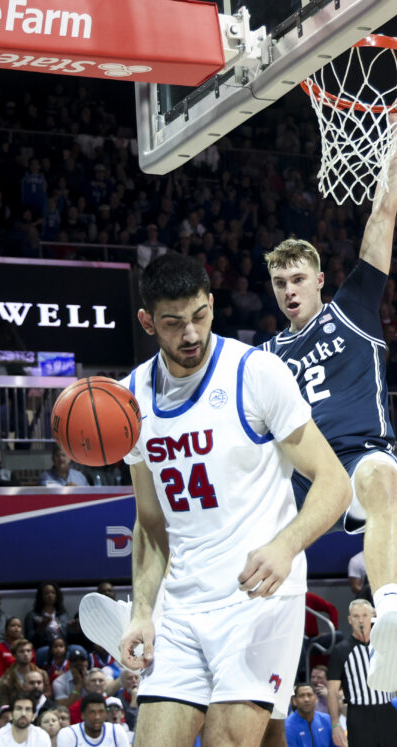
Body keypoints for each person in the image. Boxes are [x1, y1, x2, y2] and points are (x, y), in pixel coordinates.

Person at [116, 253, 351, 746]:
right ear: (147, 322)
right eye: (173, 323)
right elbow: (150, 523)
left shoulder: (256, 373)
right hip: (180, 608)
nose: (191, 335)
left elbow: (334, 482)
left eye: (199, 316)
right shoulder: (130, 399)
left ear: (212, 304)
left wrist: (286, 546)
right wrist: (142, 611)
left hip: (258, 600)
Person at [261, 119, 397, 696]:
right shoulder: (266, 355)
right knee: (231, 531)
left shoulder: (353, 306)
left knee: (381, 480)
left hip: (357, 454)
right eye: (279, 282)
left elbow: (383, 212)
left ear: (320, 279)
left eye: (297, 278)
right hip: (301, 477)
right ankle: (147, 619)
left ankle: (391, 616)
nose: (288, 290)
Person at [325, 600, 397, 747]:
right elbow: (332, 691)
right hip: (359, 715)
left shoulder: (385, 646)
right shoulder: (341, 651)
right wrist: (335, 725)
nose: (361, 620)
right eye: (356, 616)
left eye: (365, 615)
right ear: (350, 620)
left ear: (373, 616)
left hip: (386, 711)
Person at [55, 694, 125, 747]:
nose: (97, 717)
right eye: (92, 712)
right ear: (82, 715)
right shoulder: (68, 734)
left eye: (101, 711)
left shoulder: (116, 731)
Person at [24, 584, 68, 649]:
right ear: (41, 596)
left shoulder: (62, 614)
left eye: (53, 593)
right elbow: (29, 640)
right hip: (45, 647)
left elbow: (67, 637)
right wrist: (40, 629)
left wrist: (74, 632)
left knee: (77, 648)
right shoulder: (32, 616)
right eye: (46, 593)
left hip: (63, 647)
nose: (50, 595)